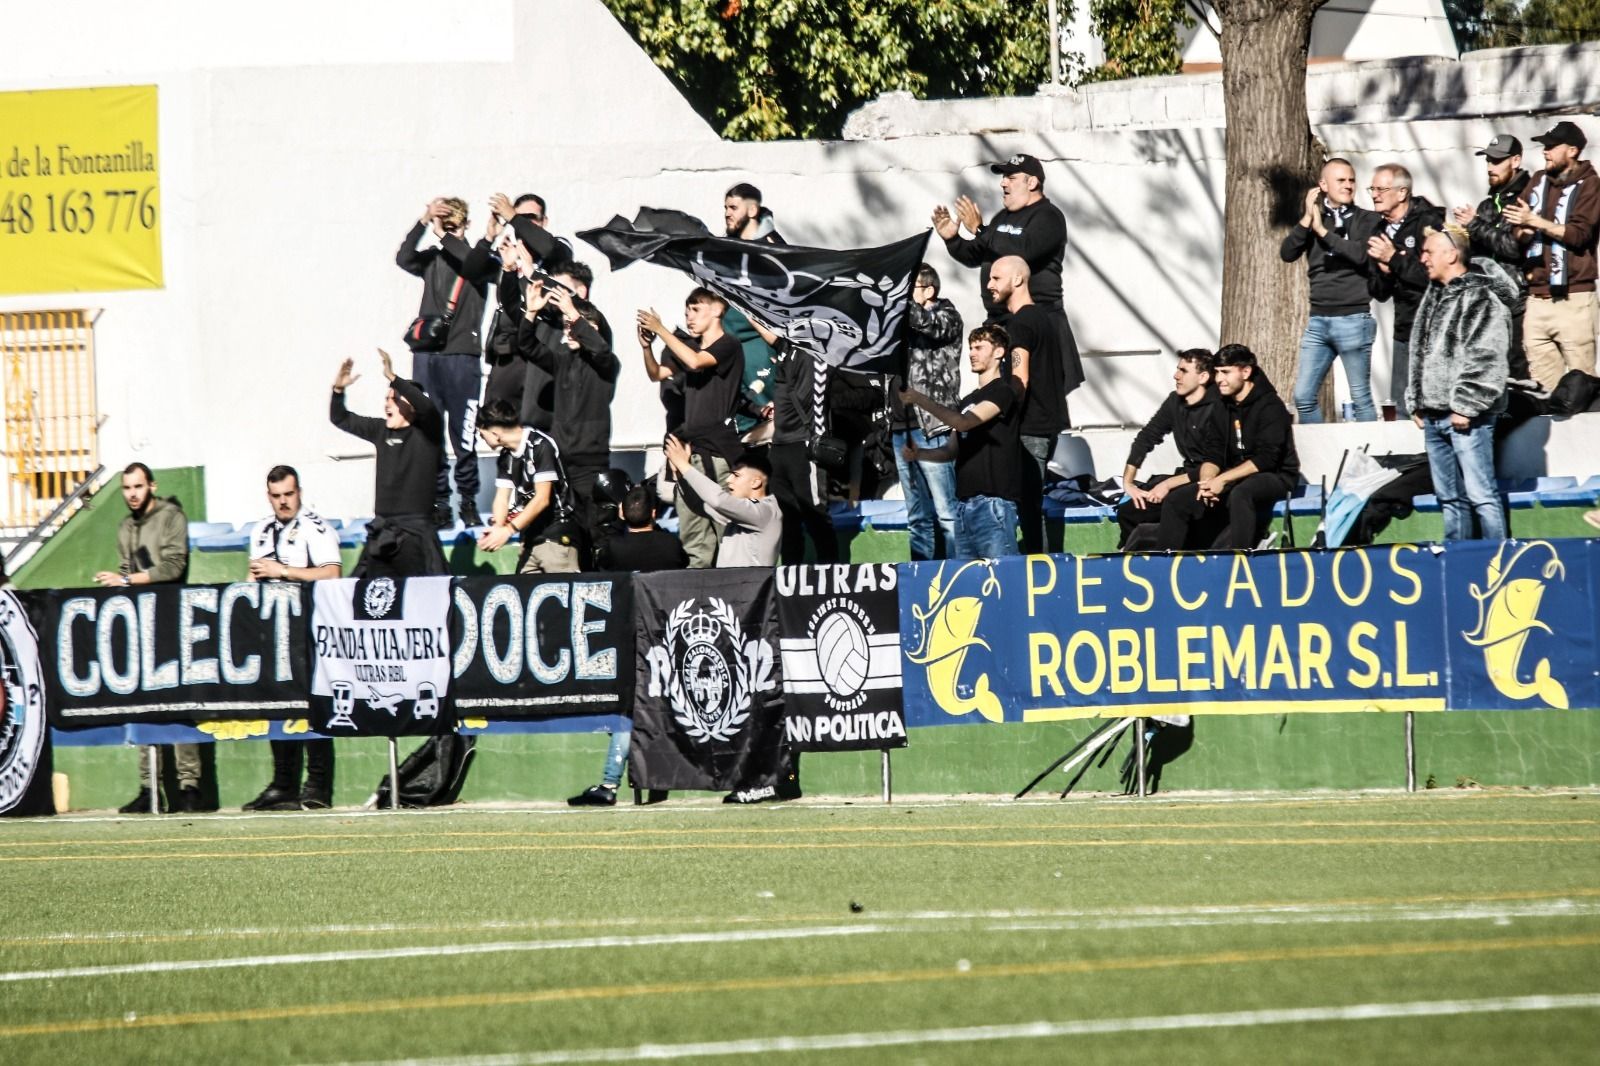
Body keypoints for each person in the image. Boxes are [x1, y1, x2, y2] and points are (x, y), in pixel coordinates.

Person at [569, 484, 688, 807]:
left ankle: (610, 782)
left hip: (624, 639)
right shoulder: (669, 544)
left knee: (626, 713)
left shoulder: (614, 549)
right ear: (654, 512)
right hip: (665, 638)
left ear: (622, 513)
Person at [95, 463, 198, 814]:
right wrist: (121, 583)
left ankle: (189, 787)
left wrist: (127, 581)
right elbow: (126, 571)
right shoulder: (125, 527)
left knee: (179, 706)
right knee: (142, 704)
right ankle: (149, 786)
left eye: (138, 486)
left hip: (171, 618)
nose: (133, 493)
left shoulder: (172, 517)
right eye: (127, 488)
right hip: (141, 623)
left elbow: (173, 567)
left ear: (151, 485)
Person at [242, 466, 343, 811]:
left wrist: (282, 571)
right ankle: (283, 783)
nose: (284, 502)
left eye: (289, 494)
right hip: (274, 632)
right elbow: (253, 576)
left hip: (310, 631)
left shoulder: (317, 528)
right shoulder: (261, 530)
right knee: (277, 705)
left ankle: (317, 785)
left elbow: (332, 574)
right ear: (268, 496)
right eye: (277, 496)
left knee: (315, 707)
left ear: (299, 491)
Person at [1407, 225, 1514, 541]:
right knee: (1450, 500)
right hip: (1434, 416)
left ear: (1451, 255)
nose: (1422, 257)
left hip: (1469, 418)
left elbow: (1488, 356)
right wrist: (1416, 399)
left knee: (1482, 496)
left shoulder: (1482, 296)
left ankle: (1498, 563)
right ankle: (1458, 566)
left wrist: (1466, 405)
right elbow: (1419, 350)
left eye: (1429, 251)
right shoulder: (1435, 295)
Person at [396, 197, 488, 528]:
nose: (446, 232)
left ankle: (467, 500)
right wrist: (424, 220)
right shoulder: (433, 259)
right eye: (445, 225)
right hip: (428, 356)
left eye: (454, 226)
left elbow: (473, 262)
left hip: (462, 356)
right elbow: (403, 257)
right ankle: (439, 502)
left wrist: (447, 235)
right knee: (429, 434)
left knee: (463, 437)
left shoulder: (477, 258)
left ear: (466, 226)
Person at [637, 289, 745, 568]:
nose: (689, 316)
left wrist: (660, 328)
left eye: (696, 310)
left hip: (720, 454)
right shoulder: (687, 349)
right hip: (691, 454)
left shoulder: (728, 345)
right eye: (687, 311)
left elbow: (697, 362)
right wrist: (647, 346)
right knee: (694, 538)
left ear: (718, 310)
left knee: (728, 536)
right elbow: (656, 374)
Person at [1155, 345, 1300, 551]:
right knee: (1178, 499)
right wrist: (1207, 483)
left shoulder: (1270, 406)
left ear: (1246, 372)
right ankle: (1165, 566)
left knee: (1241, 494)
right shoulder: (1222, 405)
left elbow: (1267, 459)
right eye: (1216, 372)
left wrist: (1221, 480)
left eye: (1225, 372)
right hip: (1233, 473)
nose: (1219, 379)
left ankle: (1238, 558)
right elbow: (1213, 452)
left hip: (1275, 475)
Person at [518, 266, 617, 560]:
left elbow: (600, 350)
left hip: (592, 466)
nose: (569, 330)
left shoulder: (605, 365)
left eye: (575, 325)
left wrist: (575, 313)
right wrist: (531, 313)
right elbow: (527, 346)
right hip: (561, 466)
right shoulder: (562, 360)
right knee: (565, 539)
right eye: (566, 325)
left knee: (596, 537)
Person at [901, 325, 1024, 559]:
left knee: (1003, 580)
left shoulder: (1003, 392)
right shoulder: (968, 399)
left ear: (999, 352)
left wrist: (918, 398)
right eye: (970, 348)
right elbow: (950, 450)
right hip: (963, 506)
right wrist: (919, 455)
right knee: (968, 586)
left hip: (993, 504)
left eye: (979, 347)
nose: (971, 353)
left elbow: (964, 423)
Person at [330, 349, 448, 578]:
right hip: (382, 532)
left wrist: (394, 378)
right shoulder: (380, 430)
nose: (387, 404)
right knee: (370, 600)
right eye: (386, 399)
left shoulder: (428, 434)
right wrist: (338, 390)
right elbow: (340, 418)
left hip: (415, 534)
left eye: (394, 399)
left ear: (411, 405)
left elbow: (428, 408)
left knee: (418, 597)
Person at [1281, 157, 1383, 422]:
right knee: (1303, 397)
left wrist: (1323, 233)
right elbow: (1287, 253)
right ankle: (1321, 462)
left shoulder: (1368, 218)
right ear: (1323, 185)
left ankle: (1371, 461)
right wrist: (1306, 221)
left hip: (1354, 318)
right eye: (1341, 180)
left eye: (1351, 180)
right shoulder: (1313, 218)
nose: (1348, 185)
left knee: (1360, 399)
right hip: (1318, 320)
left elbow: (1361, 254)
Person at [1503, 120, 1600, 391]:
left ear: (1572, 150)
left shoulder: (1591, 185)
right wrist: (1521, 227)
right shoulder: (1537, 181)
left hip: (1574, 298)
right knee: (1543, 393)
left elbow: (1579, 235)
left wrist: (1535, 222)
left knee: (1582, 387)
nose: (1545, 151)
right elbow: (1518, 229)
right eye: (1544, 146)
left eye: (1551, 146)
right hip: (1537, 299)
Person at [987, 255, 1067, 553]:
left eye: (996, 278)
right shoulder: (1044, 319)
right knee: (1030, 505)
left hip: (1031, 428)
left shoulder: (1021, 323)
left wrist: (999, 415)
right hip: (1045, 425)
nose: (989, 284)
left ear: (1018, 279)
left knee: (1028, 509)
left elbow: (1020, 380)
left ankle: (1037, 573)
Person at [1117, 349, 1227, 548]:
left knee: (1175, 504)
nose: (1176, 375)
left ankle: (1171, 562)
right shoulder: (1174, 401)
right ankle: (1132, 561)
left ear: (1203, 377)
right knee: (1130, 511)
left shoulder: (1219, 406)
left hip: (1214, 481)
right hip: (1185, 477)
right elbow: (1146, 438)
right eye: (1177, 369)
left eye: (1183, 371)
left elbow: (1219, 462)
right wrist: (1128, 483)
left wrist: (1168, 484)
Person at [891, 264, 963, 561]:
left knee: (946, 513)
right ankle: (922, 579)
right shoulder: (899, 323)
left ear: (929, 290)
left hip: (931, 427)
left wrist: (899, 299)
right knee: (916, 515)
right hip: (900, 428)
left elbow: (928, 323)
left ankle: (957, 576)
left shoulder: (946, 315)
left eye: (911, 288)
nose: (902, 295)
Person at [1366, 164, 1445, 417]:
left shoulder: (1429, 222)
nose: (1374, 194)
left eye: (1381, 188)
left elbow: (1436, 276)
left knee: (1434, 403)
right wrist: (1385, 271)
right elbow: (1378, 292)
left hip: (1434, 327)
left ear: (1402, 193)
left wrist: (1395, 260)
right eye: (1372, 189)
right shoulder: (1378, 231)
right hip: (1404, 329)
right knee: (1401, 407)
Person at [1455, 135, 1533, 379]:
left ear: (1516, 161)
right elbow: (1479, 258)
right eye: (1488, 160)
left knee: (1519, 373)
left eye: (1497, 161)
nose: (1490, 167)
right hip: (1489, 305)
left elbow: (1513, 248)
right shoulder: (1487, 205)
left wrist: (1475, 225)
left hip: (1518, 305)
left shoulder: (1526, 198)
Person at [473, 401, 580, 574]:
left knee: (560, 596)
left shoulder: (540, 446)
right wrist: (498, 529)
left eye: (480, 433)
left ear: (494, 432)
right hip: (529, 537)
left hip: (555, 537)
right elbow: (502, 497)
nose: (481, 439)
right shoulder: (506, 456)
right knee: (525, 595)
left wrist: (508, 531)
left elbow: (542, 499)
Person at [658, 436, 781, 568]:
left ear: (756, 482)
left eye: (736, 475)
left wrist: (684, 466)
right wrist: (679, 474)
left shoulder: (766, 511)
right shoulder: (743, 513)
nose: (729, 480)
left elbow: (718, 500)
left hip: (752, 587)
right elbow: (699, 506)